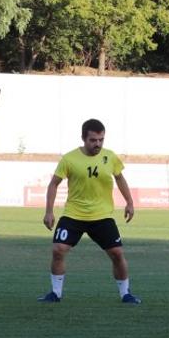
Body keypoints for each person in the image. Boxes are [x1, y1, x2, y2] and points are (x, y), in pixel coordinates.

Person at [37, 119, 140, 304]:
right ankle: (55, 293)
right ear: (84, 138)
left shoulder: (110, 157)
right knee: (58, 250)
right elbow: (53, 184)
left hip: (102, 216)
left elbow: (120, 179)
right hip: (73, 214)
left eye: (101, 139)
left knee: (117, 253)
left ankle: (126, 294)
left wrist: (130, 202)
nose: (97, 144)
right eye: (93, 140)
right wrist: (49, 211)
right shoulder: (69, 159)